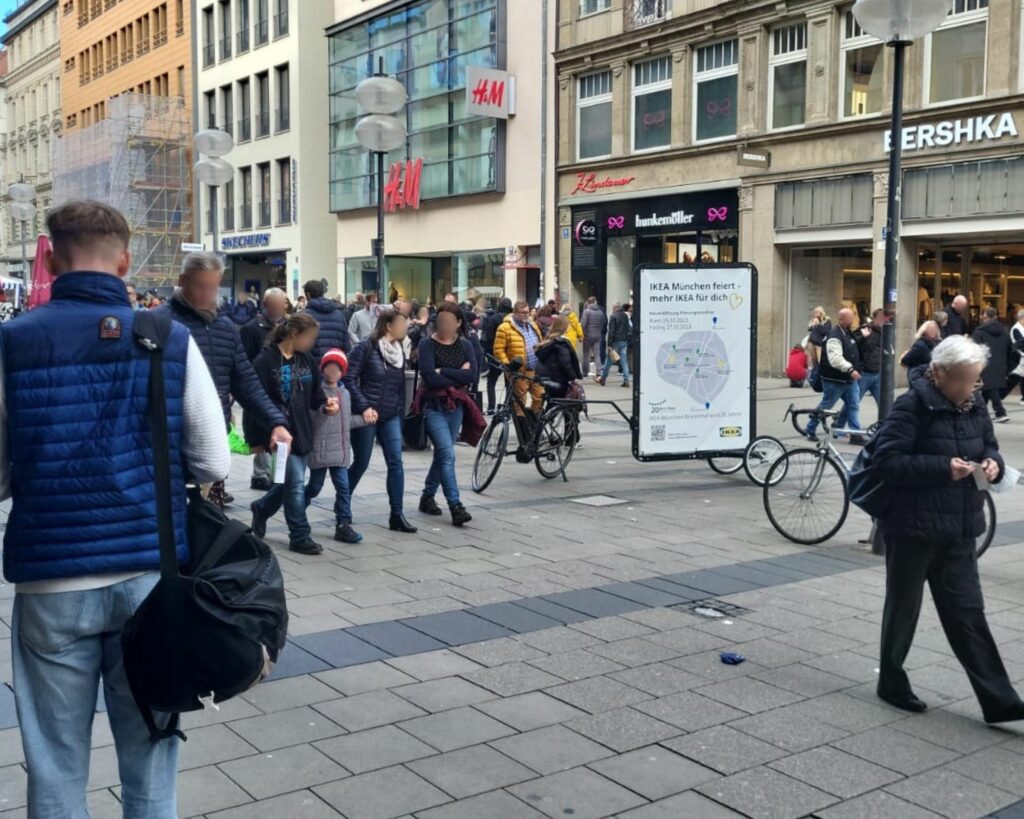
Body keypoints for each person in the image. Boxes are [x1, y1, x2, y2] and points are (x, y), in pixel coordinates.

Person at [1, 200, 231, 817]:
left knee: (54, 765)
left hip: (50, 583)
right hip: (149, 581)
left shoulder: (10, 342)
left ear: (48, 256)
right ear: (125, 259)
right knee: (151, 757)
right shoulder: (167, 337)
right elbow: (214, 461)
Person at [873, 335, 1024, 723]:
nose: (967, 388)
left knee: (968, 614)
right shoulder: (911, 406)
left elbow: (989, 447)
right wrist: (943, 468)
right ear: (938, 373)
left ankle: (1000, 701)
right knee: (903, 610)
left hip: (960, 529)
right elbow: (887, 462)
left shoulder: (973, 406)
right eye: (960, 379)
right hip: (912, 528)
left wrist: (993, 465)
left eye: (973, 380)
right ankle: (891, 680)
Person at [155, 252, 291, 507]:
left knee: (204, 518)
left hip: (211, 435)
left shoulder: (225, 327)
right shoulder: (159, 323)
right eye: (202, 286)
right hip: (169, 439)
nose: (209, 295)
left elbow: (246, 382)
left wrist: (276, 422)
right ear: (183, 281)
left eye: (214, 287)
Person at [248, 313, 338, 555]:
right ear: (294, 334)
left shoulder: (307, 361)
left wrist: (328, 405)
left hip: (303, 430)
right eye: (309, 337)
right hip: (278, 434)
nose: (312, 343)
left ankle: (262, 507)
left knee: (291, 482)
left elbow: (316, 396)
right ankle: (300, 535)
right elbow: (254, 401)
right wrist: (257, 438)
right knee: (296, 483)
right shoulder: (265, 361)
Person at [345, 309, 417, 533]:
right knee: (362, 462)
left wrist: (401, 414)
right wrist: (364, 406)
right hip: (368, 415)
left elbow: (398, 388)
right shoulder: (367, 347)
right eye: (401, 324)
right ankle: (343, 509)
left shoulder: (399, 350)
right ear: (388, 326)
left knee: (396, 462)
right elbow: (349, 377)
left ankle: (397, 514)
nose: (405, 328)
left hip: (390, 415)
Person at [414, 303, 479, 526]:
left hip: (456, 407)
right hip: (433, 406)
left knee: (442, 455)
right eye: (440, 321)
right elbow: (430, 378)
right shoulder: (427, 345)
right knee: (447, 454)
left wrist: (445, 372)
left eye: (448, 321)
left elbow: (472, 376)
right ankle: (456, 505)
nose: (443, 325)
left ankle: (427, 496)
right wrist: (457, 375)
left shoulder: (466, 345)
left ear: (459, 323)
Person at [306, 349, 363, 544]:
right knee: (314, 487)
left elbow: (346, 422)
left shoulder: (345, 393)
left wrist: (364, 419)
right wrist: (324, 410)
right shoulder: (317, 392)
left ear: (343, 372)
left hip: (340, 450)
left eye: (337, 369)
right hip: (320, 449)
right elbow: (312, 419)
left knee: (344, 487)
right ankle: (297, 511)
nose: (332, 372)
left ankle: (343, 523)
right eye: (329, 368)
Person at [241, 287, 290, 490]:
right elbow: (243, 359)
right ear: (266, 305)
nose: (279, 309)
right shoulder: (252, 329)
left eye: (282, 305)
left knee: (279, 427)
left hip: (281, 384)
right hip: (259, 386)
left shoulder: (287, 326)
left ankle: (276, 472)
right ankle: (260, 473)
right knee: (260, 428)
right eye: (275, 305)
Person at [805, 307, 861, 440]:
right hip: (835, 379)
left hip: (847, 379)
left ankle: (856, 434)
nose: (853, 320)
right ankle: (810, 429)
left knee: (853, 405)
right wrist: (850, 369)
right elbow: (835, 359)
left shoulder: (847, 332)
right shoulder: (834, 335)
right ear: (842, 319)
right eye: (850, 318)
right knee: (826, 406)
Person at [494, 301, 545, 416]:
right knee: (520, 403)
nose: (525, 315)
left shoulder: (532, 324)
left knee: (540, 397)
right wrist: (508, 365)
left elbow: (539, 341)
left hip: (535, 370)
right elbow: (498, 350)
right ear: (515, 312)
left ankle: (533, 422)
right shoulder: (505, 328)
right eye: (522, 313)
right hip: (519, 372)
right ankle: (522, 428)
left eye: (527, 312)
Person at [972, 306, 1012, 423]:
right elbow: (1010, 349)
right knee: (988, 388)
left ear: (984, 316)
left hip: (985, 363)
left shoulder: (979, 332)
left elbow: (974, 349)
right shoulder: (1004, 331)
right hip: (1000, 363)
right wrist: (1007, 364)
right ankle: (979, 412)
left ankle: (1000, 412)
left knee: (990, 387)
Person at [536, 315, 583, 398]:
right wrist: (573, 377)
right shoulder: (562, 343)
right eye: (568, 325)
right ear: (563, 327)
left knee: (552, 401)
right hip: (559, 378)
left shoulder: (549, 340)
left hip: (548, 377)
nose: (569, 327)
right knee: (559, 402)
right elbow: (565, 363)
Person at [304, 279, 352, 358]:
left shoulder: (303, 316)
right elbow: (346, 345)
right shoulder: (339, 315)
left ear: (307, 295)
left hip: (312, 366)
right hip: (335, 364)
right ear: (323, 293)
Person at [482, 297, 512, 414]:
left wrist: (488, 354)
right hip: (510, 354)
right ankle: (508, 406)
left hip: (496, 354)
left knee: (491, 381)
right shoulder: (512, 318)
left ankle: (491, 407)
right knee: (509, 382)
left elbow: (488, 338)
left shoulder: (494, 318)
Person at [855, 308, 885, 408]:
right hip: (865, 373)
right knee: (854, 402)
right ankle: (839, 422)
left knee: (884, 404)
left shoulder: (885, 332)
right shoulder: (865, 328)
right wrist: (863, 337)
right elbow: (852, 343)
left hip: (878, 373)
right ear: (874, 318)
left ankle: (888, 423)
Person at [598, 302, 632, 387]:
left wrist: (609, 343)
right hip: (624, 341)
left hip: (615, 341)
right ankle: (626, 379)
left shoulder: (613, 316)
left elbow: (611, 331)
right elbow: (628, 328)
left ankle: (603, 378)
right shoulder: (625, 316)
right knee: (624, 361)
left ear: (615, 308)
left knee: (609, 360)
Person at [580, 296, 606, 377]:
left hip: (588, 336)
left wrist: (583, 334)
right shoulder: (600, 312)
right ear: (595, 302)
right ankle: (599, 371)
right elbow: (602, 323)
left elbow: (583, 324)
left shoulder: (586, 311)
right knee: (597, 354)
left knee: (586, 354)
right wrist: (599, 331)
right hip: (597, 336)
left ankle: (585, 371)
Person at [806, 306, 831, 386]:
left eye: (817, 313)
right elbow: (809, 330)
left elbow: (826, 331)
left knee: (820, 361)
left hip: (820, 344)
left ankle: (822, 378)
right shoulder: (813, 320)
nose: (816, 314)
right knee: (814, 361)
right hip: (812, 342)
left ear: (821, 313)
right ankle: (814, 378)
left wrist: (818, 324)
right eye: (815, 313)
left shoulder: (827, 320)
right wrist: (812, 324)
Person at [1008, 309, 1024, 404]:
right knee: (1017, 377)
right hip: (1019, 355)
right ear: (1021, 318)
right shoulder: (1016, 328)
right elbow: (1019, 343)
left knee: (1020, 376)